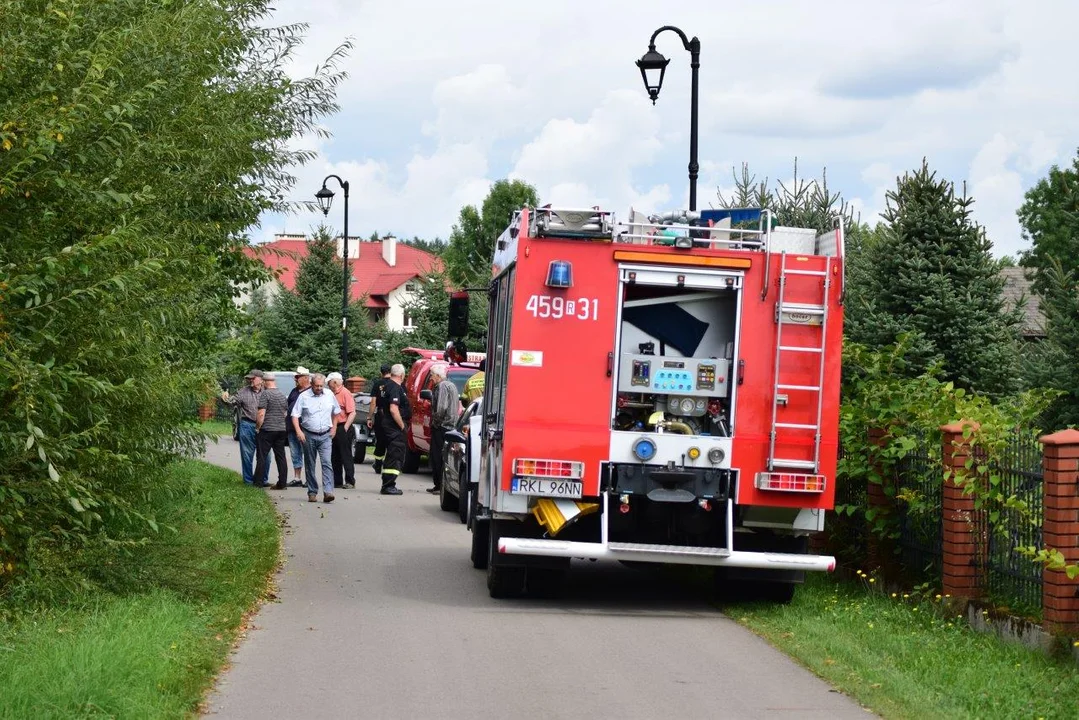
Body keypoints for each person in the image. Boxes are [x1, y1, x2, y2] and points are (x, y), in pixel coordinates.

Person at [291, 373, 341, 503]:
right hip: (308, 434)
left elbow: (336, 412)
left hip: (325, 435)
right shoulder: (303, 396)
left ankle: (328, 491)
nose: (319, 388)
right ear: (312, 384)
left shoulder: (329, 395)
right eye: (316, 385)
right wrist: (298, 431)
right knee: (310, 464)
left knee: (327, 463)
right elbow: (295, 415)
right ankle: (312, 492)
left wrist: (334, 427)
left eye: (321, 385)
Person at [221, 369, 264, 486]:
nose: (250, 380)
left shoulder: (267, 392)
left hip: (264, 427)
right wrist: (225, 398)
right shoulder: (243, 392)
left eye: (253, 378)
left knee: (266, 456)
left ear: (260, 379)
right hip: (247, 425)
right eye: (249, 378)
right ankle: (248, 481)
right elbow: (232, 402)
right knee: (247, 454)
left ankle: (262, 480)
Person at [377, 364, 410, 496]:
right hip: (394, 427)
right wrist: (402, 426)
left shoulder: (386, 386)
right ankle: (389, 485)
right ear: (402, 375)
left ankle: (388, 484)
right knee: (395, 455)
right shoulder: (396, 388)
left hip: (387, 424)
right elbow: (393, 409)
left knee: (391, 455)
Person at [427, 363, 459, 495]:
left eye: (432, 375)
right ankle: (441, 486)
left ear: (438, 376)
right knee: (444, 456)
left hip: (442, 426)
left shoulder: (441, 386)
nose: (431, 378)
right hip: (450, 426)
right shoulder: (451, 385)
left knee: (437, 456)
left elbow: (441, 408)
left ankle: (439, 485)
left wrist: (435, 422)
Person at [255, 373, 291, 490]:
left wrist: (257, 427)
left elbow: (261, 414)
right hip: (281, 430)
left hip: (267, 429)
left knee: (262, 456)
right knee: (280, 456)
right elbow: (285, 413)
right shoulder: (281, 394)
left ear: (265, 382)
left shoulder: (266, 394)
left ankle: (258, 483)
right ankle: (282, 483)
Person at [327, 371, 357, 490]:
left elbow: (352, 412)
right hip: (333, 426)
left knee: (345, 455)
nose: (328, 385)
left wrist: (345, 427)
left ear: (334, 382)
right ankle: (337, 480)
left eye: (329, 383)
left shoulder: (345, 393)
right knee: (335, 455)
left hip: (343, 426)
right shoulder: (331, 393)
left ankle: (350, 480)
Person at [286, 366, 310, 487]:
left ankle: (309, 478)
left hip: (305, 428)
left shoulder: (311, 392)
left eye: (298, 377)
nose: (296, 379)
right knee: (295, 453)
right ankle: (297, 477)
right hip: (291, 428)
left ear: (306, 378)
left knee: (307, 453)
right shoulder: (294, 391)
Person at [367, 364, 392, 474]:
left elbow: (373, 402)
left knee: (380, 441)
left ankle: (378, 464)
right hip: (393, 415)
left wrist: (369, 417)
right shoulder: (395, 384)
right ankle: (389, 464)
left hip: (381, 415)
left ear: (381, 372)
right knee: (391, 441)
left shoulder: (378, 384)